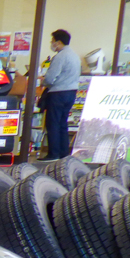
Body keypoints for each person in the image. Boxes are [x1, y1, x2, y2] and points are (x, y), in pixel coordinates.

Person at [38, 29, 81, 161]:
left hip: (58, 93)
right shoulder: (74, 55)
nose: (51, 44)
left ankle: (53, 154)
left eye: (52, 41)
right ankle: (63, 154)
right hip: (71, 93)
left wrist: (43, 82)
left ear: (58, 42)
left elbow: (50, 78)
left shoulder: (61, 56)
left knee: (53, 124)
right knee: (62, 124)